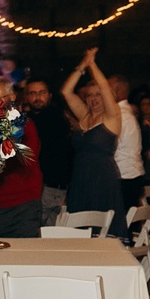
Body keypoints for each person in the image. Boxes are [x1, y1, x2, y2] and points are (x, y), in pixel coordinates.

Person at [60, 48, 124, 237]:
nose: (94, 98)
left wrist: (92, 64)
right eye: (89, 95)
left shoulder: (112, 117)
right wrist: (82, 66)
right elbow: (65, 91)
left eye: (98, 95)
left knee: (103, 232)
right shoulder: (84, 116)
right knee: (78, 231)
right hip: (80, 180)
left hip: (103, 180)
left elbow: (105, 87)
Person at [0, 77, 43, 240]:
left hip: (22, 204)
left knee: (23, 259)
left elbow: (24, 162)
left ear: (12, 97)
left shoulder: (24, 126)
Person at [21, 78, 73, 226]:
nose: (37, 97)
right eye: (33, 93)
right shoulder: (27, 121)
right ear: (26, 97)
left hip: (50, 187)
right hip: (38, 187)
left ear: (49, 95)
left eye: (42, 93)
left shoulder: (55, 117)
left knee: (41, 233)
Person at [106, 74, 145, 222]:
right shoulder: (124, 114)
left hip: (125, 178)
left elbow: (110, 147)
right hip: (130, 176)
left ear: (120, 90)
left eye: (108, 89)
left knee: (120, 226)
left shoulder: (121, 116)